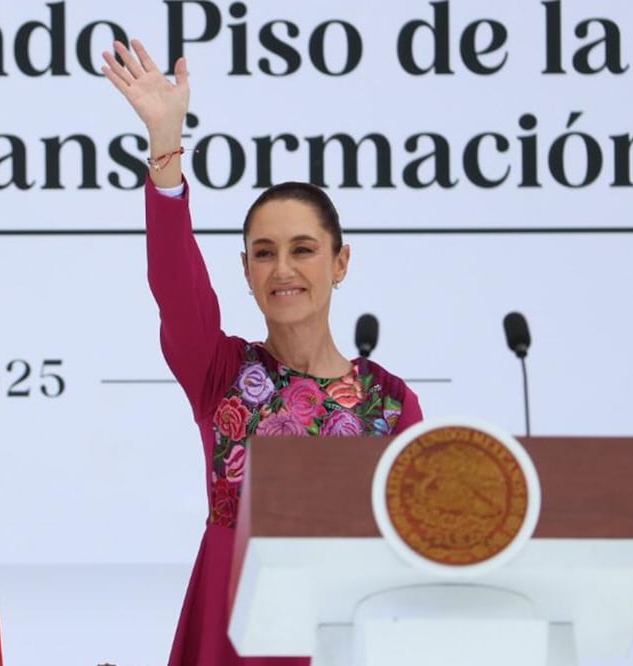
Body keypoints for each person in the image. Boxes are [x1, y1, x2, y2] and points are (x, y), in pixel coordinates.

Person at [101, 39, 424, 666]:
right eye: (264, 253)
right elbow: (175, 283)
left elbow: (412, 552)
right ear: (246, 271)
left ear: (340, 262)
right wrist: (166, 145)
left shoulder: (390, 403)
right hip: (228, 643)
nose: (283, 269)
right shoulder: (221, 373)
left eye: (303, 249)